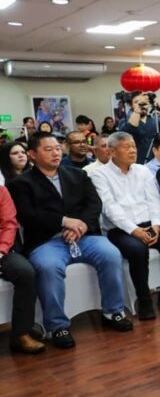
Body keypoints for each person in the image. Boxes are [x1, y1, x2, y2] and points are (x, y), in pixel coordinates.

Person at [8, 132, 133, 348]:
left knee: (111, 254)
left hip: (84, 235)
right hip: (47, 241)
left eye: (57, 148)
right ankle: (57, 326)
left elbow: (94, 204)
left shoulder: (77, 175)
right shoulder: (21, 183)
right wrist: (64, 222)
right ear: (32, 154)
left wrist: (81, 225)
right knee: (48, 267)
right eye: (48, 149)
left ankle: (113, 312)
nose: (56, 153)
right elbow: (27, 215)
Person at [89, 132, 160, 319]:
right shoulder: (99, 174)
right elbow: (109, 208)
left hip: (148, 224)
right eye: (126, 147)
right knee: (138, 250)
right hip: (119, 229)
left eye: (133, 146)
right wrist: (134, 230)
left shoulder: (143, 170)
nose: (132, 150)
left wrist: (156, 225)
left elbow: (154, 200)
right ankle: (144, 299)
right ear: (112, 151)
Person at [0, 186, 44, 353]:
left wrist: (1, 251)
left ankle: (21, 334)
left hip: (3, 251)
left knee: (25, 272)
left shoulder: (1, 191)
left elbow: (9, 225)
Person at [119, 91, 160, 164]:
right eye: (136, 102)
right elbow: (130, 128)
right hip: (136, 162)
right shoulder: (125, 121)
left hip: (154, 162)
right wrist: (137, 110)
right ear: (130, 105)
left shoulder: (154, 120)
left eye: (145, 103)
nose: (142, 105)